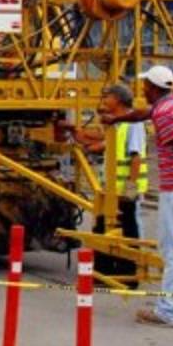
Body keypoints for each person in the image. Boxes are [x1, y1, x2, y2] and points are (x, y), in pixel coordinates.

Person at [102, 65, 173, 327]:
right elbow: (143, 113)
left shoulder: (164, 115)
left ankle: (168, 311)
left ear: (153, 87)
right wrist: (116, 119)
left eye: (145, 85)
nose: (142, 89)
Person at [62, 84, 147, 241]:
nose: (104, 101)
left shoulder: (133, 124)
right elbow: (99, 145)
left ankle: (129, 257)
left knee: (129, 233)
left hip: (125, 193)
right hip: (111, 191)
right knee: (102, 229)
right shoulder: (117, 124)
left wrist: (130, 188)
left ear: (118, 100)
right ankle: (102, 256)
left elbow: (136, 157)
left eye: (107, 97)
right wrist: (76, 134)